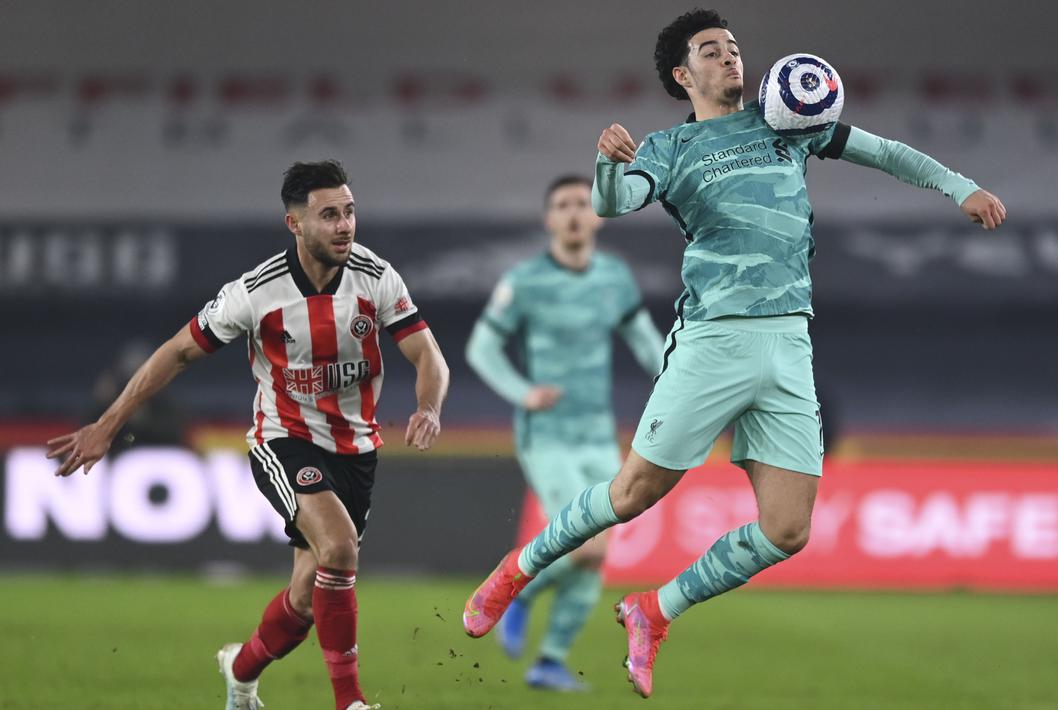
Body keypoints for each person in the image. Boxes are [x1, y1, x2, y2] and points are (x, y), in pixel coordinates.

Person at [463, 8, 1006, 699]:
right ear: (681, 75)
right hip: (714, 338)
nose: (729, 58)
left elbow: (887, 152)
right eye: (711, 51)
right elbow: (613, 203)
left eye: (733, 47)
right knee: (633, 494)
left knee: (786, 530)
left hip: (787, 343)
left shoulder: (786, 121)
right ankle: (517, 570)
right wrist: (605, 164)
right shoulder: (666, 148)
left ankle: (654, 610)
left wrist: (960, 187)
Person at [46, 160, 449, 710]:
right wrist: (108, 425)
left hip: (357, 450)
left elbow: (427, 353)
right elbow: (179, 352)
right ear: (295, 224)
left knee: (307, 601)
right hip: (285, 439)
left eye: (349, 212)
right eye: (328, 215)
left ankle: (239, 673)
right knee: (339, 547)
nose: (344, 226)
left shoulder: (376, 277)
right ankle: (350, 703)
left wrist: (429, 405)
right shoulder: (255, 292)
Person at [465, 175, 663, 691]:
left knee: (595, 554)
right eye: (562, 205)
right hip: (547, 435)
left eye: (582, 203)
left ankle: (548, 657)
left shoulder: (615, 277)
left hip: (598, 434)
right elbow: (482, 348)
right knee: (587, 547)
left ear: (597, 214)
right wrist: (522, 391)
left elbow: (646, 344)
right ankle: (519, 591)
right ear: (548, 219)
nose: (574, 213)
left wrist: (681, 382)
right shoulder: (525, 281)